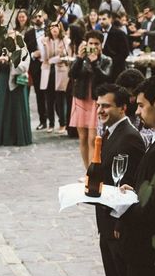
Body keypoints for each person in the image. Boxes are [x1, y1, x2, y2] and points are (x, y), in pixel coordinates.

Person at [92, 84, 145, 276]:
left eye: (106, 106)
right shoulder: (111, 132)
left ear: (122, 108)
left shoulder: (129, 137)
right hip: (106, 215)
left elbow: (130, 181)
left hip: (117, 218)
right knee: (112, 272)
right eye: (99, 105)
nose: (100, 110)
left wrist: (119, 220)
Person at [118, 77, 155, 276]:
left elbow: (150, 209)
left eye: (142, 105)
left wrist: (126, 207)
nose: (139, 112)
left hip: (147, 254)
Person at [69, 30, 112, 169]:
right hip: (80, 99)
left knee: (93, 139)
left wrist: (95, 63)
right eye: (90, 43)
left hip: (96, 101)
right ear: (86, 44)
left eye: (96, 43)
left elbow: (105, 78)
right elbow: (72, 74)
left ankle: (92, 171)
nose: (93, 46)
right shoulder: (82, 58)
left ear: (101, 45)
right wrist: (79, 58)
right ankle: (86, 170)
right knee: (82, 137)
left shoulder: (106, 60)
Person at [0, 32, 32, 146]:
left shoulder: (23, 50)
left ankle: (20, 137)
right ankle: (4, 138)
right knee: (3, 108)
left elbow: (24, 67)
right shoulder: (2, 49)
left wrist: (10, 61)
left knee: (17, 109)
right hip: (3, 80)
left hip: (17, 83)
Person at [41, 22, 71, 133]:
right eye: (51, 26)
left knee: (60, 99)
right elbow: (43, 58)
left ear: (60, 28)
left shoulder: (65, 40)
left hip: (60, 71)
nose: (54, 29)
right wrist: (44, 47)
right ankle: (51, 123)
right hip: (47, 71)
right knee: (48, 99)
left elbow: (63, 56)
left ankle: (62, 124)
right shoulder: (45, 40)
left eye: (56, 26)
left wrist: (52, 60)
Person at [24, 10, 48, 129]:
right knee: (39, 94)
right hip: (36, 67)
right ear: (32, 19)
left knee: (51, 94)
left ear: (44, 17)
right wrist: (33, 54)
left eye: (40, 16)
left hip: (50, 66)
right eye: (35, 17)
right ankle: (43, 121)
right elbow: (25, 52)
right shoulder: (28, 34)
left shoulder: (50, 31)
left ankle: (55, 121)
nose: (38, 18)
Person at [99, 10, 129, 81]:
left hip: (115, 69)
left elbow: (125, 52)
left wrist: (112, 62)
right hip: (101, 69)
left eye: (104, 19)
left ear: (110, 19)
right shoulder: (98, 32)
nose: (101, 21)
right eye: (99, 19)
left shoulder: (119, 33)